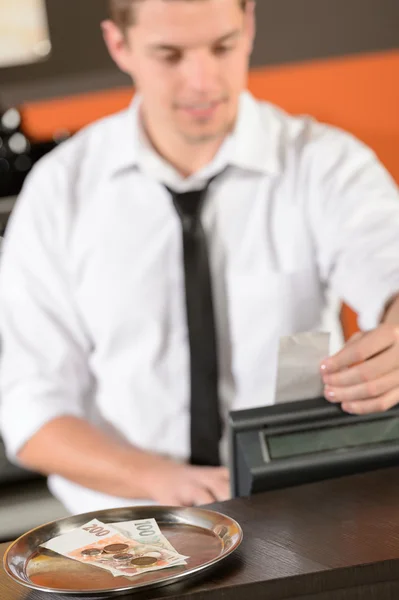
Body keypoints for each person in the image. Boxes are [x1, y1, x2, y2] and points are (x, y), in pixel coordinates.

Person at [1, 0, 399, 515]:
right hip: (126, 529)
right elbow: (31, 411)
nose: (203, 81)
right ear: (119, 45)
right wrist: (164, 481)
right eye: (169, 55)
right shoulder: (59, 192)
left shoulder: (324, 164)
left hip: (302, 513)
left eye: (223, 47)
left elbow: (387, 261)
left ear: (249, 25)